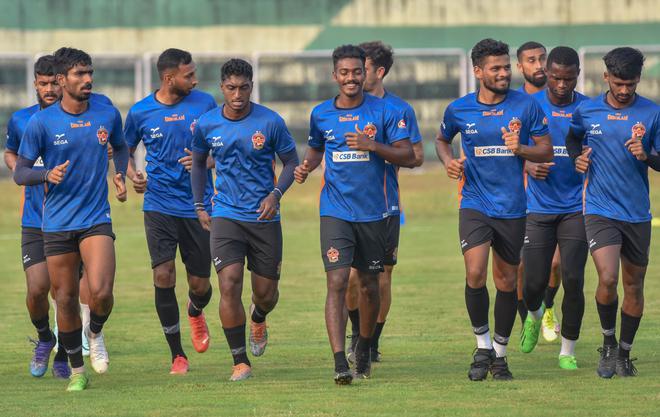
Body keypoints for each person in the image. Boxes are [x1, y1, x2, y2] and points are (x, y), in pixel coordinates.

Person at [294, 44, 415, 384]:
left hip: (374, 213)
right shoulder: (321, 114)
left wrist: (372, 145)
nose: (351, 78)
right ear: (335, 75)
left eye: (356, 72)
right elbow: (317, 149)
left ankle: (363, 347)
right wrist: (307, 167)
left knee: (368, 287)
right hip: (334, 210)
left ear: (365, 73)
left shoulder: (384, 111)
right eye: (344, 73)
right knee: (336, 281)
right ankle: (338, 363)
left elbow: (408, 155)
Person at [436, 38, 552, 381]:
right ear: (478, 71)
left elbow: (545, 150)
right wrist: (448, 162)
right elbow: (442, 139)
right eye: (496, 68)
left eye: (506, 67)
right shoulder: (459, 109)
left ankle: (499, 356)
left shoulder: (526, 106)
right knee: (475, 274)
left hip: (513, 207)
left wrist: (522, 149)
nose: (504, 73)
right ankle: (482, 345)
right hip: (474, 203)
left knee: (505, 281)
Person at [14, 47, 129, 392]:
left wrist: (120, 173)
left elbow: (121, 147)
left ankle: (95, 331)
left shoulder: (106, 114)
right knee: (62, 299)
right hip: (57, 224)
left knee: (102, 292)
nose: (88, 79)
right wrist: (45, 175)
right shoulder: (40, 123)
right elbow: (20, 172)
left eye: (90, 72)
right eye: (80, 74)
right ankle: (77, 372)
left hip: (96, 218)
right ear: (62, 80)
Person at [191, 58, 299, 382]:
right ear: (222, 88)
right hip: (226, 214)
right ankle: (240, 361)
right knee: (229, 283)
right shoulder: (207, 124)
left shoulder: (271, 122)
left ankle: (259, 316)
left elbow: (292, 162)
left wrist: (276, 194)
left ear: (252, 87)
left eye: (244, 88)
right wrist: (199, 205)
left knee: (266, 293)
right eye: (231, 88)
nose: (238, 94)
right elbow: (198, 164)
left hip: (264, 216)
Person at [566, 47, 660, 378]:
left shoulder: (652, 113)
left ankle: (625, 353)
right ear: (606, 77)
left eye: (630, 85)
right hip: (599, 208)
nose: (623, 91)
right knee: (607, 277)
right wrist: (577, 159)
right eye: (618, 83)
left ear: (638, 80)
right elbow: (573, 139)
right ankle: (608, 342)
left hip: (636, 213)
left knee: (634, 286)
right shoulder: (587, 110)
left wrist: (646, 155)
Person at [124, 48, 217, 375]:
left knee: (201, 284)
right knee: (163, 274)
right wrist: (132, 174)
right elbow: (124, 149)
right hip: (159, 204)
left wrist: (207, 160)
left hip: (199, 206)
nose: (195, 79)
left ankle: (195, 310)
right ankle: (177, 354)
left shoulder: (205, 104)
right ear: (169, 78)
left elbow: (225, 145)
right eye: (188, 75)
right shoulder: (140, 112)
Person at [345, 41, 424, 364]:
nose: (356, 74)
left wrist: (378, 148)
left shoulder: (398, 110)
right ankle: (356, 334)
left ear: (378, 71)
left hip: (386, 206)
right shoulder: (342, 107)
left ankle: (371, 341)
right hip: (347, 208)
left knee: (382, 276)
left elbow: (417, 157)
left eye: (362, 68)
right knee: (351, 277)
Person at [519, 46, 589, 370]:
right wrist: (528, 165)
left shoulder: (589, 109)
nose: (562, 85)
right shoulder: (528, 106)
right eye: (556, 78)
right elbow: (510, 149)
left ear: (577, 74)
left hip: (577, 207)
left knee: (573, 280)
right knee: (533, 283)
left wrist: (591, 160)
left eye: (569, 79)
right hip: (538, 207)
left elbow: (603, 150)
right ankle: (535, 316)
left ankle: (567, 351)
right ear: (547, 73)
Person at [4, 55, 71, 379]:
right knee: (36, 290)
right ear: (34, 84)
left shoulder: (73, 118)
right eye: (42, 83)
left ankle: (64, 352)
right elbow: (12, 153)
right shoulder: (21, 120)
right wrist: (23, 170)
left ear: (62, 82)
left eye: (53, 83)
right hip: (34, 219)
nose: (48, 89)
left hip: (71, 218)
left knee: (64, 292)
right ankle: (45, 338)